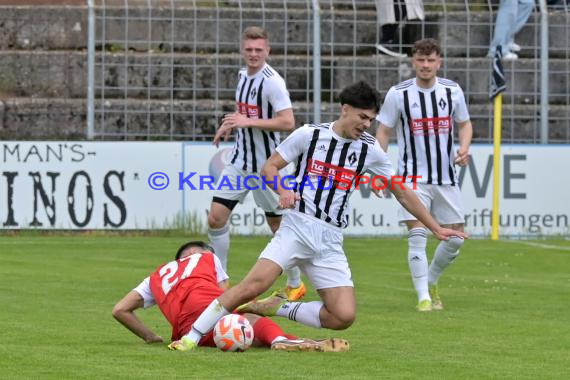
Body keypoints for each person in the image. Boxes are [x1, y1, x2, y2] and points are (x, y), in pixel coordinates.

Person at [168, 81, 468, 351]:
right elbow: (269, 168)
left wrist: (436, 228)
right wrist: (284, 191)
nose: (366, 125)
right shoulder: (309, 135)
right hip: (297, 226)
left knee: (343, 316)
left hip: (330, 240)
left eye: (371, 120)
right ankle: (191, 337)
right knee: (252, 285)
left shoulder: (371, 150)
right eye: (362, 117)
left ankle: (276, 308)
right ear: (345, 109)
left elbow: (402, 192)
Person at [208, 26, 305, 301]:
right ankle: (221, 280)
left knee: (279, 227)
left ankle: (295, 283)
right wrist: (230, 123)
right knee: (216, 217)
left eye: (258, 50)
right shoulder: (242, 77)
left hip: (266, 167)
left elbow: (288, 121)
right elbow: (245, 112)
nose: (253, 54)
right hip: (239, 162)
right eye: (249, 49)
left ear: (267, 51)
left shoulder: (272, 81)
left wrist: (247, 121)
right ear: (242, 50)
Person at [376, 38, 473, 311]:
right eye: (421, 60)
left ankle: (430, 280)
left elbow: (465, 125)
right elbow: (383, 131)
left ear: (439, 62)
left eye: (431, 60)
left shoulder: (453, 91)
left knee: (455, 239)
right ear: (413, 62)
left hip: (446, 177)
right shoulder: (398, 93)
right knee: (418, 236)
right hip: (411, 178)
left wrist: (464, 148)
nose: (426, 65)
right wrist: (380, 169)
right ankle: (423, 298)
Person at [112, 240, 349, 352]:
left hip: (185, 330)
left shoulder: (155, 277)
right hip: (206, 312)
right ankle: (284, 339)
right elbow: (227, 298)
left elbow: (120, 310)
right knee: (250, 322)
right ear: (196, 251)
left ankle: (292, 341)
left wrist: (151, 336)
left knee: (249, 335)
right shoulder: (206, 256)